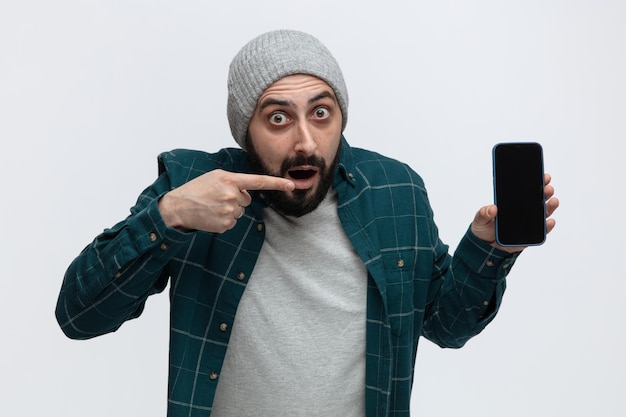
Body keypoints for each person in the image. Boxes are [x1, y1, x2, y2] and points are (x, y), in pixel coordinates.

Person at [56, 29, 559, 417]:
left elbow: (447, 326)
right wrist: (169, 217)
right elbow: (79, 317)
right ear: (244, 128)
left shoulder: (396, 191)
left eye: (321, 113)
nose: (305, 141)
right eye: (278, 118)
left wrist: (490, 247)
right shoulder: (192, 185)